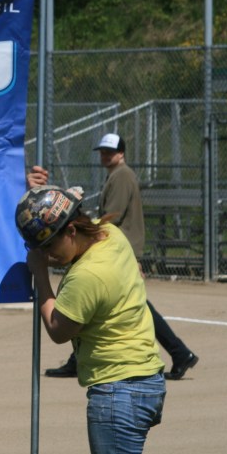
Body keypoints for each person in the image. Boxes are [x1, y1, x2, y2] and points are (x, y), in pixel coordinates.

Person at [18, 183, 166, 454]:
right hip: (141, 382)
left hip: (119, 390)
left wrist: (40, 277)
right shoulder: (109, 235)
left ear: (72, 231)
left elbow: (57, 329)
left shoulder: (88, 276)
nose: (48, 256)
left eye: (50, 247)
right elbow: (67, 214)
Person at [36, 133, 199, 380]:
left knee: (130, 305)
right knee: (121, 304)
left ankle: (179, 351)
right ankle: (179, 352)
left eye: (109, 152)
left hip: (117, 247)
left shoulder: (121, 176)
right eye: (102, 151)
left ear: (121, 153)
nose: (105, 155)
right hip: (115, 247)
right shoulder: (116, 175)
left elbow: (113, 215)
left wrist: (77, 216)